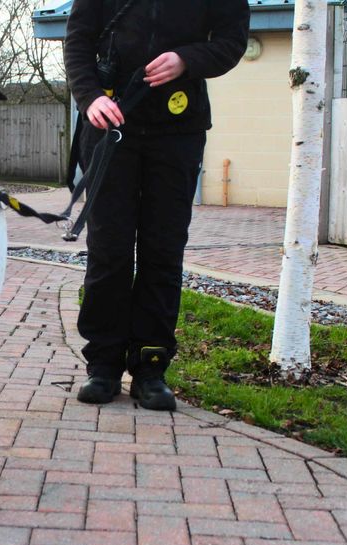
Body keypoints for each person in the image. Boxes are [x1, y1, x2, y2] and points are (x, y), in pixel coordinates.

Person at [65, 0, 250, 409]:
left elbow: (231, 41)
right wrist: (90, 96)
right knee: (109, 252)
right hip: (110, 123)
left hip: (178, 131)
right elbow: (77, 40)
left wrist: (186, 60)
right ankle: (104, 365)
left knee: (162, 252)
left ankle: (151, 367)